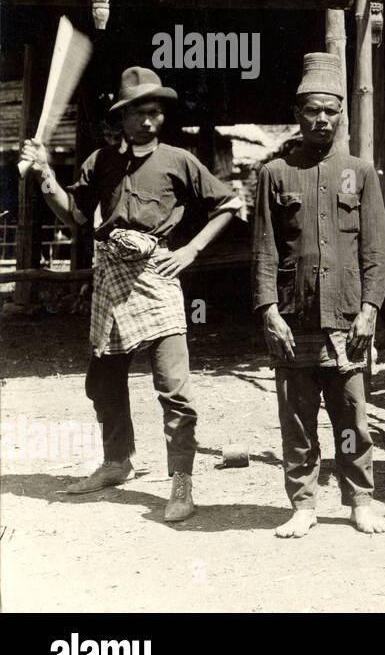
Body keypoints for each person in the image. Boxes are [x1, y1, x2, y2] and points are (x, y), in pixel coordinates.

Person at [20, 67, 239, 521]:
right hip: (110, 280)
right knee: (102, 382)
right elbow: (75, 217)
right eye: (138, 113)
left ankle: (181, 482)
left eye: (155, 113)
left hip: (157, 279)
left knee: (174, 389)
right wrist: (44, 174)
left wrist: (191, 251)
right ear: (121, 119)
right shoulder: (100, 162)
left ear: (163, 117)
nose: (147, 122)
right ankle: (117, 462)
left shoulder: (179, 160)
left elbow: (230, 204)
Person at [252, 53, 385, 537]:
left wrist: (371, 308)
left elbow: (376, 248)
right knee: (297, 416)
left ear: (341, 115)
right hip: (294, 318)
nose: (321, 119)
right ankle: (304, 503)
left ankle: (360, 500)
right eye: (312, 110)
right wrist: (268, 310)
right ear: (298, 112)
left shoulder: (359, 172)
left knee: (351, 413)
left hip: (347, 318)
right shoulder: (275, 174)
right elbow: (265, 250)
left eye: (331, 110)